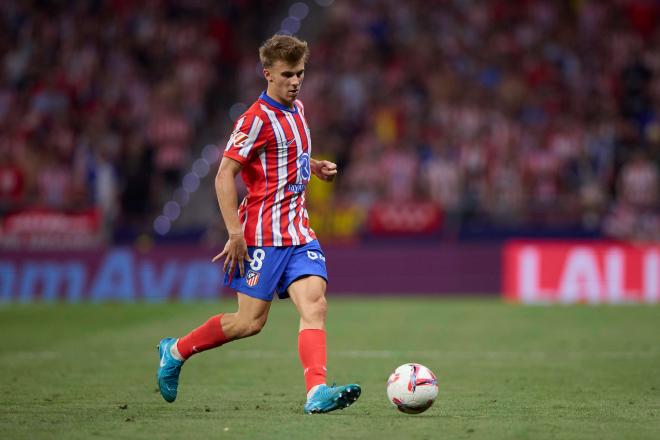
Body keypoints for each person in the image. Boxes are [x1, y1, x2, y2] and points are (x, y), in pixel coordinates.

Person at [156, 34, 361, 414]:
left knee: (315, 306)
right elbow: (223, 176)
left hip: (299, 232)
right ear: (268, 73)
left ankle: (315, 392)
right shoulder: (254, 120)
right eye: (287, 74)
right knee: (249, 323)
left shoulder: (298, 109)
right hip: (262, 237)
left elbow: (289, 155)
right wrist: (235, 232)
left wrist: (314, 167)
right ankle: (176, 350)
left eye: (300, 73)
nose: (295, 81)